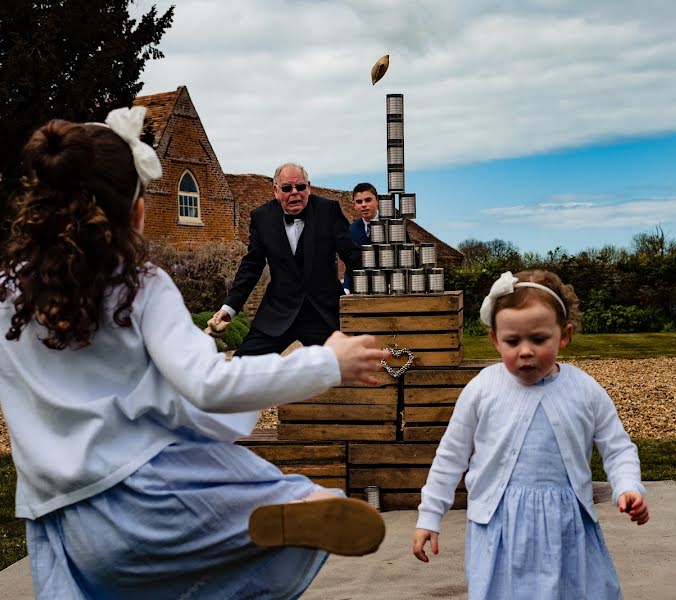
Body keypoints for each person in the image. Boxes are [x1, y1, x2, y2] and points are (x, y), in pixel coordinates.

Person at [0, 107, 388, 599]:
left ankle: (271, 512)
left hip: (69, 527)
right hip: (161, 498)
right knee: (252, 500)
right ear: (137, 209)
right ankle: (283, 507)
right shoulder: (141, 286)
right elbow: (210, 383)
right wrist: (326, 362)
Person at [412, 270, 649, 599]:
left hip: (568, 527)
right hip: (500, 527)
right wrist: (430, 515)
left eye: (538, 339)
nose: (525, 351)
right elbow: (451, 457)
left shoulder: (584, 390)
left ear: (563, 335)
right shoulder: (482, 389)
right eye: (513, 341)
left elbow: (617, 447)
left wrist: (627, 486)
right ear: (496, 339)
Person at [210, 163, 361, 356]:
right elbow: (251, 266)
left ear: (309, 187)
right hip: (278, 312)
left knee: (348, 373)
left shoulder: (328, 210)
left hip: (323, 314)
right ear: (275, 190)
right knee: (241, 365)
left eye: (300, 187)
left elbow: (352, 256)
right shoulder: (261, 217)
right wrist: (229, 308)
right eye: (287, 188)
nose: (295, 193)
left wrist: (371, 295)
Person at [342, 182, 380, 292]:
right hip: (361, 291)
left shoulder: (393, 225)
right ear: (354, 205)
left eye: (368, 200)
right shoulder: (351, 230)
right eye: (359, 202)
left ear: (377, 201)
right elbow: (350, 265)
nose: (363, 205)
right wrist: (346, 288)